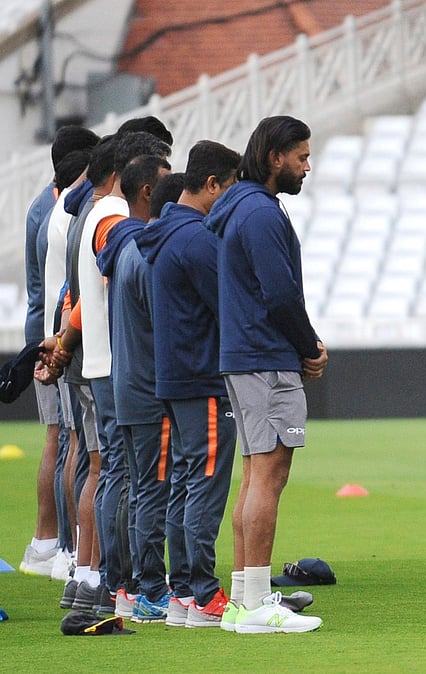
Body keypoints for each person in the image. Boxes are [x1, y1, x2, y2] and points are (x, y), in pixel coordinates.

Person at [209, 115, 325, 633]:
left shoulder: (240, 207)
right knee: (269, 475)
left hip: (245, 353)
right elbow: (279, 294)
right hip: (266, 355)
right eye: (300, 156)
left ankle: (244, 599)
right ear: (275, 157)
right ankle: (256, 605)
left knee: (255, 474)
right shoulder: (258, 212)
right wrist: (309, 347)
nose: (306, 166)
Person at [138, 141, 244, 628]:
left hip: (174, 376)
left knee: (184, 482)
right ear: (212, 185)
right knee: (204, 484)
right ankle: (203, 594)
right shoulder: (198, 239)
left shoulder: (161, 234)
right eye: (230, 187)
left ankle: (183, 592)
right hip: (202, 376)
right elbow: (230, 304)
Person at [20, 126, 99, 581]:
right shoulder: (62, 208)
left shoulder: (41, 206)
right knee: (68, 441)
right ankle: (63, 547)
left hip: (45, 332)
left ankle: (49, 542)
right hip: (59, 338)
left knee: (61, 439)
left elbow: (37, 287)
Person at [99, 154, 172, 619]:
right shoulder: (145, 252)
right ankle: (149, 588)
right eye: (168, 185)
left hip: (126, 383)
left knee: (135, 486)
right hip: (148, 388)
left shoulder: (123, 248)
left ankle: (124, 585)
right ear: (148, 191)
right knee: (152, 490)